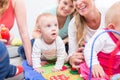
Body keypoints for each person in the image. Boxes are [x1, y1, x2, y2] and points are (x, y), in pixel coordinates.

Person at [79, 2, 120, 79]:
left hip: (114, 70)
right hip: (98, 69)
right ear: (112, 28)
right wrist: (94, 64)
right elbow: (89, 48)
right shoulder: (103, 35)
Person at [68, 0, 105, 69]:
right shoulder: (73, 24)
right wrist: (71, 59)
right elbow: (72, 53)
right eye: (75, 0)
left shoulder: (109, 14)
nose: (78, 3)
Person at [0, 0, 32, 79]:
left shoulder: (16, 2)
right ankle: (8, 70)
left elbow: (24, 32)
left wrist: (31, 62)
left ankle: (8, 70)